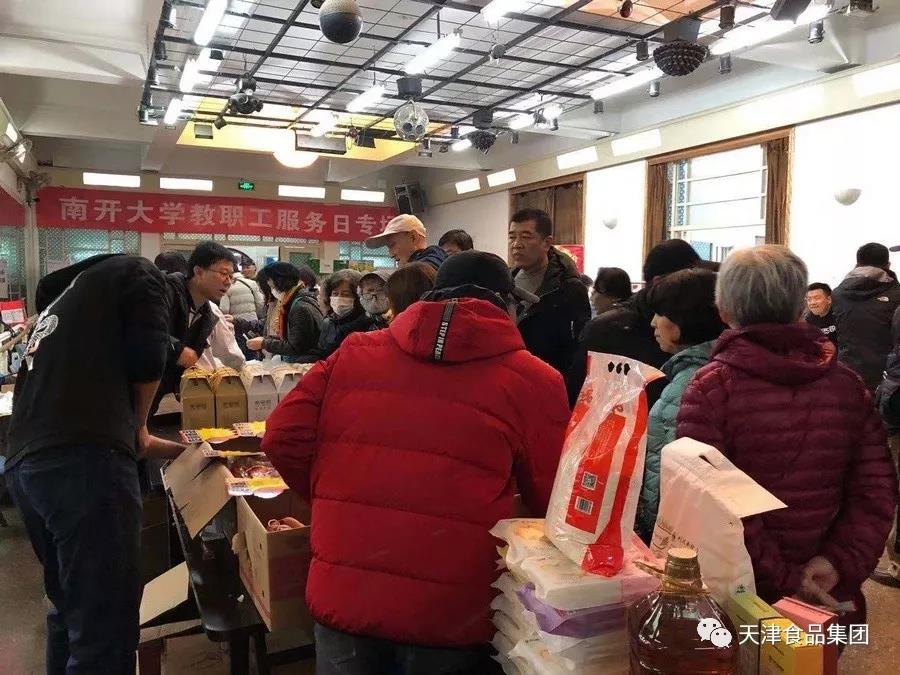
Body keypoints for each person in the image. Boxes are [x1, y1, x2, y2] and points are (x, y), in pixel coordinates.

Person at [262, 250, 569, 674]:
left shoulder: (353, 351)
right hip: (452, 608)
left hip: (346, 592)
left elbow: (280, 436)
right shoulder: (535, 379)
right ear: (507, 306)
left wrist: (331, 496)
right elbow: (554, 495)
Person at [677, 245, 897, 627]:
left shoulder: (711, 387)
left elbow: (710, 503)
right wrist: (837, 561)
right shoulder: (846, 385)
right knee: (814, 656)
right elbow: (876, 489)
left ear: (723, 311)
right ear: (800, 307)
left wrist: (783, 578)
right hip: (826, 592)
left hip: (742, 594)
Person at [6, 254, 184, 674]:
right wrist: (140, 425)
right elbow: (149, 356)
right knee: (106, 622)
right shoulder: (142, 274)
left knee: (70, 607)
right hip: (85, 466)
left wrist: (180, 449)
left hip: (26, 465)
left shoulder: (68, 301)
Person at [634, 268, 725, 543]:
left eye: (660, 313)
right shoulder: (697, 371)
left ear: (685, 319)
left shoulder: (693, 381)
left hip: (678, 533)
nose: (653, 323)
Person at [567, 239, 700, 407]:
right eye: (689, 282)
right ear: (660, 282)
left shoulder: (697, 326)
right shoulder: (607, 330)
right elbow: (579, 398)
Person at [153, 241, 245, 412]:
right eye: (223, 273)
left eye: (231, 276)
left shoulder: (207, 314)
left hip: (153, 395)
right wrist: (178, 350)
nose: (228, 282)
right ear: (198, 271)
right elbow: (141, 330)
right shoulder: (164, 293)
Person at [509, 208, 591, 377]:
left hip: (549, 378)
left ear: (546, 243)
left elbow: (579, 347)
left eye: (526, 237)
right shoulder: (504, 281)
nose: (516, 244)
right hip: (510, 376)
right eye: (512, 237)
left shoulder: (568, 287)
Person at [832, 243, 900, 392]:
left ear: (857, 264)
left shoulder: (837, 294)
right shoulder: (897, 294)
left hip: (848, 375)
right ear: (888, 265)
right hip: (887, 380)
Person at [245, 263, 323, 362]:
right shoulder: (293, 302)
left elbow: (295, 346)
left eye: (271, 285)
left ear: (280, 282)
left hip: (304, 363)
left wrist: (264, 343)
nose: (271, 288)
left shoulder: (300, 307)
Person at [295, 269, 371, 362]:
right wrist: (299, 362)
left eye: (345, 294)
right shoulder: (329, 322)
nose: (339, 298)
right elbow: (321, 351)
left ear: (358, 297)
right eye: (335, 293)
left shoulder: (367, 325)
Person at [366, 214, 448, 270]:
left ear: (413, 237)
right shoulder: (439, 264)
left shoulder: (421, 271)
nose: (391, 254)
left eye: (392, 245)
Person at [220, 258, 265, 322]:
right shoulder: (252, 283)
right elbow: (260, 303)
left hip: (235, 321)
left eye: (247, 267)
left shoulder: (227, 285)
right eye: (243, 268)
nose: (245, 270)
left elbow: (224, 309)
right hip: (252, 321)